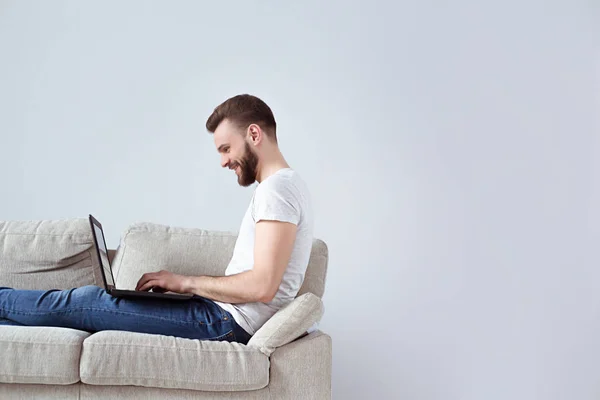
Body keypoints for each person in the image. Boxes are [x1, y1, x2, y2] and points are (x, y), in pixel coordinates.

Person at [0, 94, 314, 345]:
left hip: (224, 324)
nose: (223, 161)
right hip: (220, 316)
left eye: (226, 148)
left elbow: (263, 286)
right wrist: (185, 286)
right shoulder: (284, 186)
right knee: (90, 300)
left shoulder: (278, 189)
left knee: (88, 300)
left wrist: (185, 282)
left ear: (254, 134)